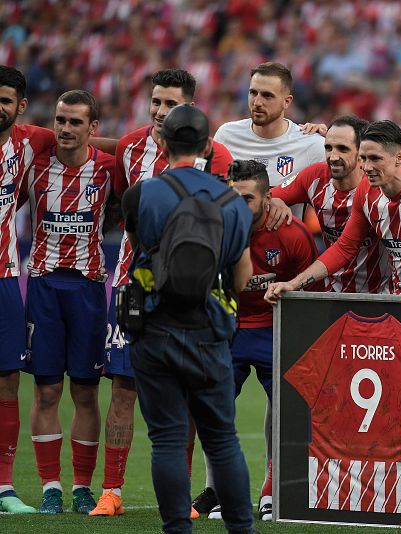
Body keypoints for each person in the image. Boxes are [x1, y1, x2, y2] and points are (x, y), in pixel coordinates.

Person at [91, 68, 234, 518]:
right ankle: (111, 491)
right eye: (155, 102)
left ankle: (183, 499)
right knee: (123, 387)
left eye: (169, 104)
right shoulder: (130, 148)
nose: (159, 111)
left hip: (188, 292)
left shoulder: (217, 155)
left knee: (188, 393)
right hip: (132, 286)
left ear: (188, 108)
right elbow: (122, 205)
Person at [120, 104, 254, 534]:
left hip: (155, 327)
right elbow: (243, 274)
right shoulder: (233, 202)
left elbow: (140, 249)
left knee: (167, 440)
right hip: (209, 331)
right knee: (222, 440)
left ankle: (178, 529)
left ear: (162, 142)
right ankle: (242, 529)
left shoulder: (141, 194)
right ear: (208, 146)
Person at [265, 119, 401, 316]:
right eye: (364, 159)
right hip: (397, 308)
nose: (367, 167)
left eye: (375, 159)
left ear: (399, 157)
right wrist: (294, 284)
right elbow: (344, 248)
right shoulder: (366, 192)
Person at [204, 159, 319, 522]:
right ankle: (223, 492)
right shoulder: (216, 229)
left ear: (269, 198)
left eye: (249, 199)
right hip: (232, 329)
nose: (240, 206)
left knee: (287, 412)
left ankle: (273, 492)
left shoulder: (293, 234)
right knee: (215, 409)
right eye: (234, 198)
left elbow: (310, 288)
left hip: (276, 330)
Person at [23, 89, 114, 515]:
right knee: (45, 390)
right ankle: (50, 488)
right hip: (42, 286)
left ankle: (81, 486)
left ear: (92, 128)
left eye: (76, 122)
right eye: (60, 120)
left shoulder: (111, 169)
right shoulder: (34, 165)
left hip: (88, 288)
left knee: (84, 390)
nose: (65, 128)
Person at [0, 65, 55, 514]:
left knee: (7, 379)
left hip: (3, 279)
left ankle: (3, 489)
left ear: (19, 107)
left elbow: (94, 146)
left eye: (5, 99)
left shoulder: (30, 141)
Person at [271, 115, 390, 294]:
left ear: (361, 153)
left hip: (381, 294)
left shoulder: (379, 187)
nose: (333, 157)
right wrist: (275, 201)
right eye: (328, 148)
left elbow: (344, 249)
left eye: (343, 149)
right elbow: (261, 200)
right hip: (332, 292)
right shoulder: (315, 177)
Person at [213, 62, 325, 220]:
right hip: (233, 240)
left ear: (287, 101)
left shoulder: (312, 145)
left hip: (282, 242)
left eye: (267, 95)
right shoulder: (226, 135)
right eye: (253, 93)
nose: (257, 102)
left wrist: (333, 139)